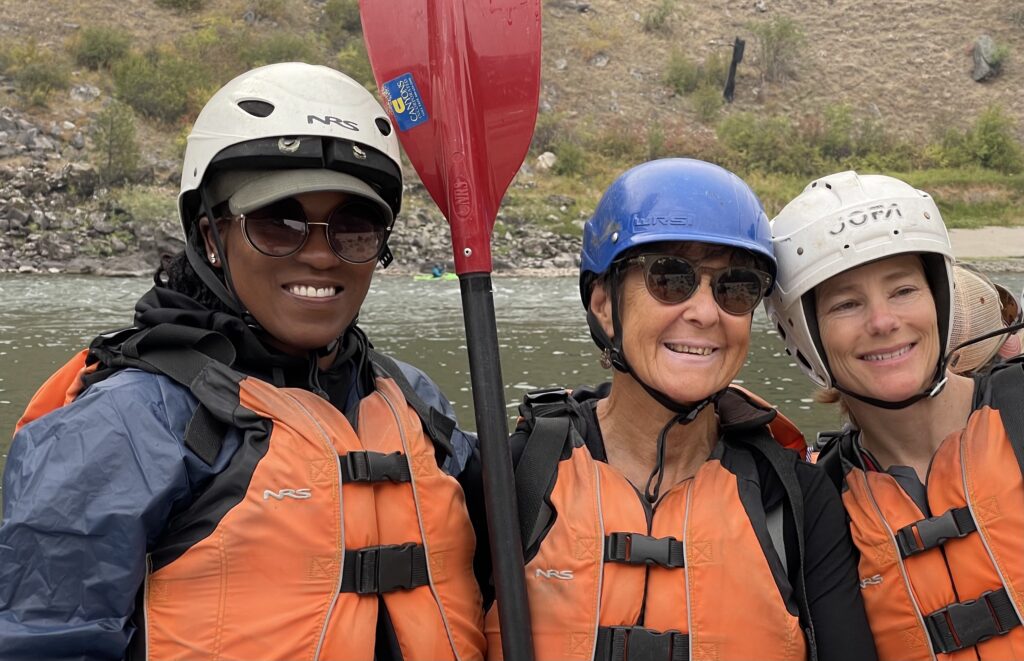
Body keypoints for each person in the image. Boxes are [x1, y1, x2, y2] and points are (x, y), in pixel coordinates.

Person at [0, 63, 486, 659]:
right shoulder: (128, 421)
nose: (320, 255)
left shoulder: (414, 401)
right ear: (212, 237)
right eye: (278, 224)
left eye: (353, 228)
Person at [481, 159, 875, 660]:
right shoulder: (516, 475)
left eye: (735, 288)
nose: (706, 313)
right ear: (604, 305)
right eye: (669, 278)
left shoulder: (794, 497)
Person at [766, 170, 1024, 660]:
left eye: (904, 290)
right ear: (803, 335)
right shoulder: (817, 511)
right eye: (846, 304)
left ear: (940, 299)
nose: (883, 322)